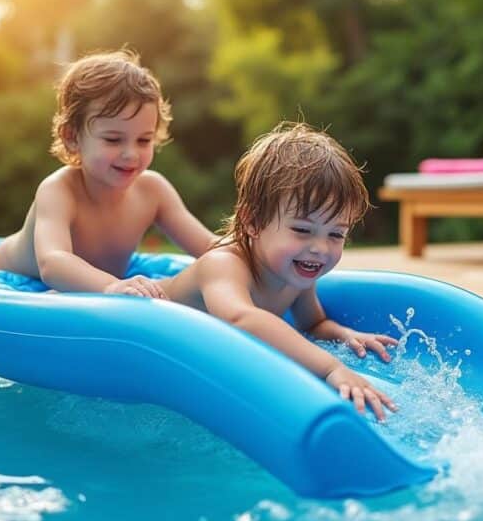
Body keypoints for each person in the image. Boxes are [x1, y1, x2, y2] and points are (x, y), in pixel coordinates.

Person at [156, 122, 399, 421]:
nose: (320, 248)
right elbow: (241, 319)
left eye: (336, 234)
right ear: (253, 222)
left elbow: (313, 323)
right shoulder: (222, 265)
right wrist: (331, 368)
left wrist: (345, 334)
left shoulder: (296, 272)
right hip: (139, 314)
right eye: (302, 230)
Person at [0, 50, 215, 296]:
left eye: (143, 140)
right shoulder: (59, 190)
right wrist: (110, 285)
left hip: (99, 279)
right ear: (72, 138)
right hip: (18, 277)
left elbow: (208, 246)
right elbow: (53, 262)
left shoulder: (153, 191)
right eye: (113, 139)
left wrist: (242, 253)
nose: (131, 154)